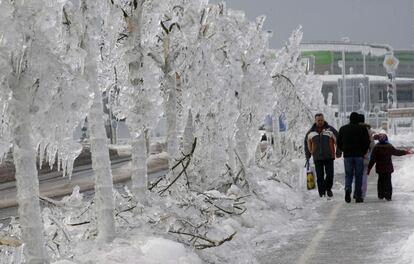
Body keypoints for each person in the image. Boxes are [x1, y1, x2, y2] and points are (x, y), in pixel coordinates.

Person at [304, 113, 341, 198]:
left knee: (330, 175)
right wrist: (308, 154)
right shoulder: (311, 132)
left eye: (321, 120)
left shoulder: (330, 129)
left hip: (329, 156)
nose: (320, 122)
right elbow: (306, 144)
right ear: (315, 121)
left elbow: (338, 140)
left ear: (323, 119)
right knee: (320, 176)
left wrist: (338, 151)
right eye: (318, 120)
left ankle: (328, 188)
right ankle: (322, 193)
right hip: (317, 157)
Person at [367, 133, 413, 201]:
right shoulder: (389, 146)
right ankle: (388, 196)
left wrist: (369, 168)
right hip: (388, 167)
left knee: (380, 181)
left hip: (380, 167)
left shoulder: (376, 147)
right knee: (388, 181)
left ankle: (381, 195)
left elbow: (372, 159)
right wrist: (406, 152)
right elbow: (397, 152)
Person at [337, 112, 370, 203]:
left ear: (350, 119)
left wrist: (344, 150)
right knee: (358, 175)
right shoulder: (362, 129)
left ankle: (348, 189)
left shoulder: (343, 129)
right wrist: (363, 152)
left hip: (347, 155)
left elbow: (338, 142)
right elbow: (367, 142)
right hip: (359, 155)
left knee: (348, 175)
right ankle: (358, 195)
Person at [357, 113, 375, 198]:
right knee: (364, 175)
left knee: (355, 176)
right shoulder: (368, 131)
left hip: (355, 155)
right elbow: (372, 145)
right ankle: (362, 194)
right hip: (365, 156)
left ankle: (356, 192)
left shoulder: (353, 129)